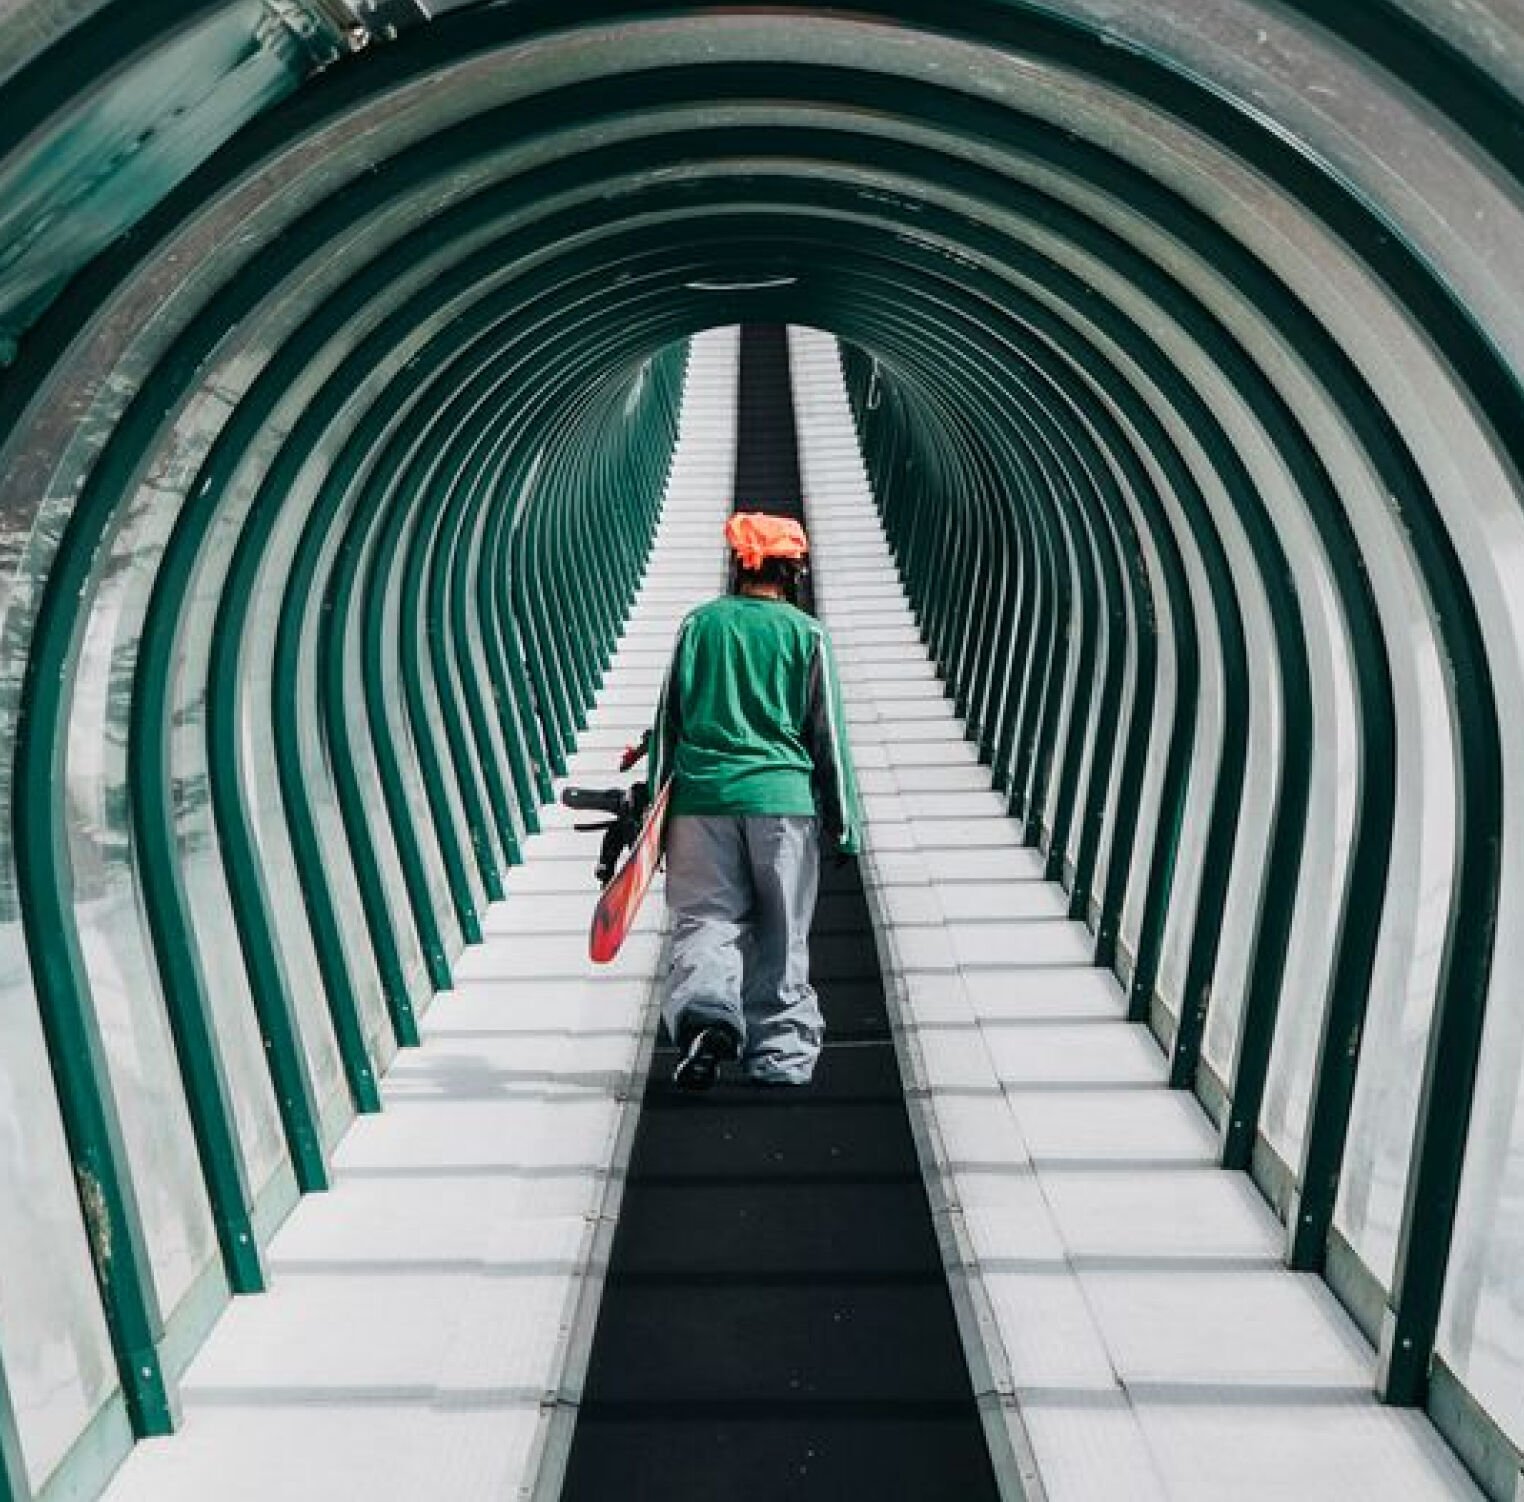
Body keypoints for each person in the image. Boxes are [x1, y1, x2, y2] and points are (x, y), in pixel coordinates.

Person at [647, 511, 862, 1091]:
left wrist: (653, 811)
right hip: (782, 801)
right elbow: (829, 738)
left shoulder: (699, 626)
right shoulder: (805, 633)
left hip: (701, 800)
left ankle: (708, 1017)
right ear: (793, 570)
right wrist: (846, 825)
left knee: (707, 919)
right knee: (783, 934)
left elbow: (669, 725)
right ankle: (782, 1058)